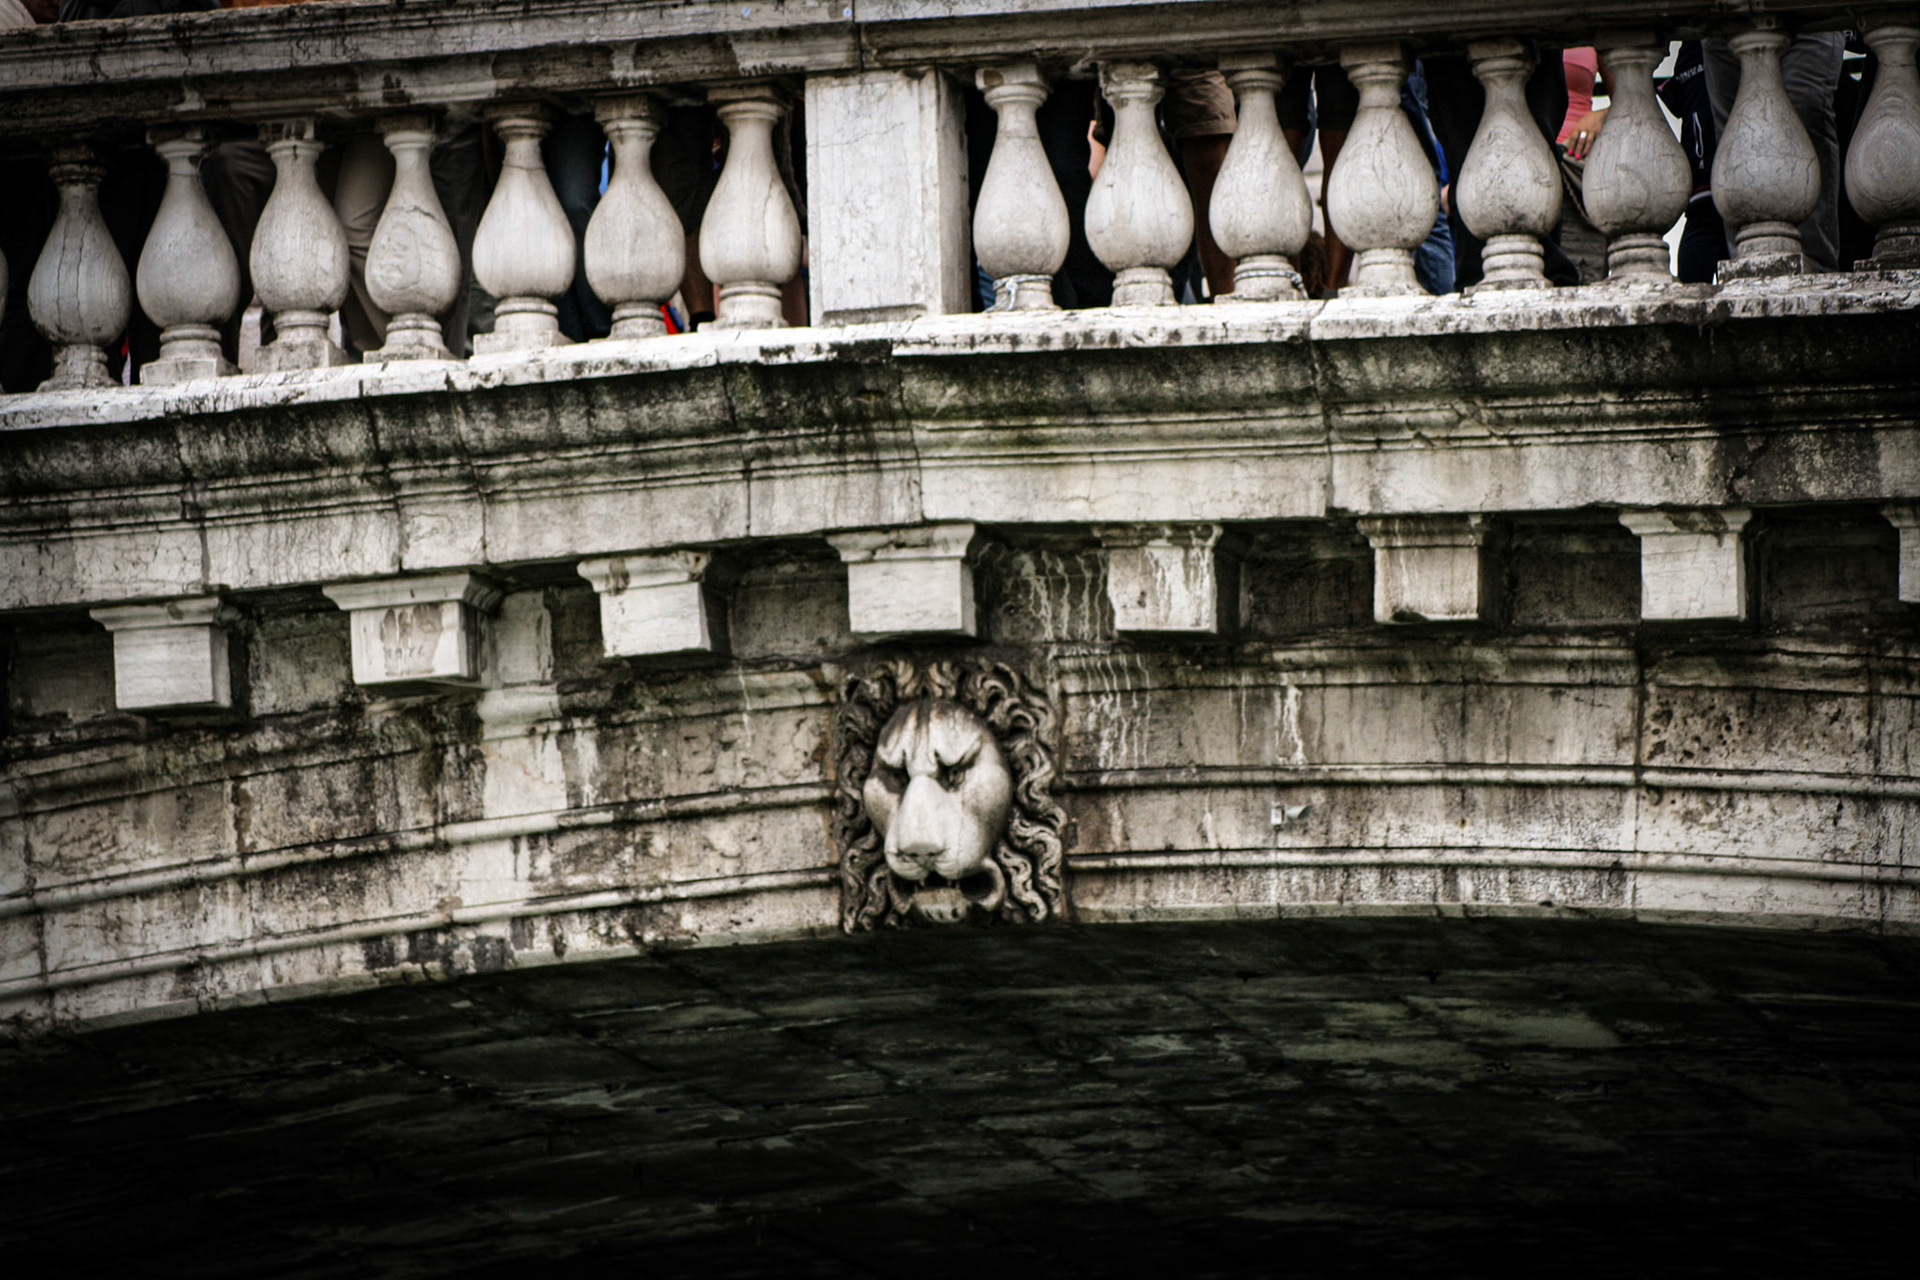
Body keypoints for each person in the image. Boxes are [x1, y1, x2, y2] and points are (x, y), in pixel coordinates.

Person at [1701, 31, 1844, 270]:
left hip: (1807, 20)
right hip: (1721, 26)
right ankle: (1745, 259)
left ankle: (1815, 262)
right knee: (1734, 135)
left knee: (1807, 116)